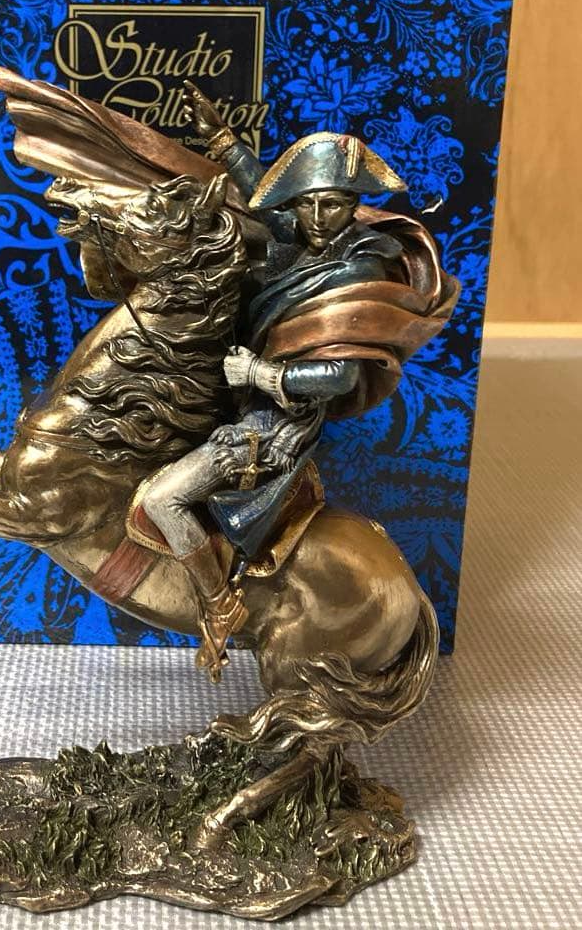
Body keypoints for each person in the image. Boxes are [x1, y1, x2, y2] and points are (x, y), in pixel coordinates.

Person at [139, 83, 430, 683]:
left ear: (354, 206)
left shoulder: (359, 267)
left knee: (163, 499)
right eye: (309, 204)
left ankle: (218, 605)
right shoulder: (303, 242)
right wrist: (224, 141)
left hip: (270, 428)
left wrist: (260, 372)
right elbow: (265, 203)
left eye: (334, 205)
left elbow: (340, 373)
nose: (318, 218)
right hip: (242, 402)